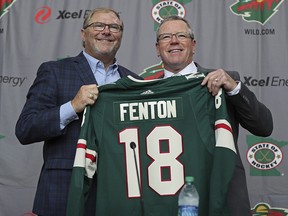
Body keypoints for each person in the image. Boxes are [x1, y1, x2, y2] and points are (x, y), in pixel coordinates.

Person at [15, 8, 142, 216]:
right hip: (63, 191)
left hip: (118, 193)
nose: (106, 31)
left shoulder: (133, 82)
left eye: (114, 27)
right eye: (99, 25)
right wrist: (72, 106)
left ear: (121, 36)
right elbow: (25, 128)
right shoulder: (55, 71)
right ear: (84, 34)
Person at [141, 15, 273, 216]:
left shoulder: (225, 81)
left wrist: (234, 88)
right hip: (163, 201)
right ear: (157, 48)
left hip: (221, 196)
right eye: (166, 37)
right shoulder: (145, 92)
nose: (174, 41)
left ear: (193, 45)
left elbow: (264, 126)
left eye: (181, 35)